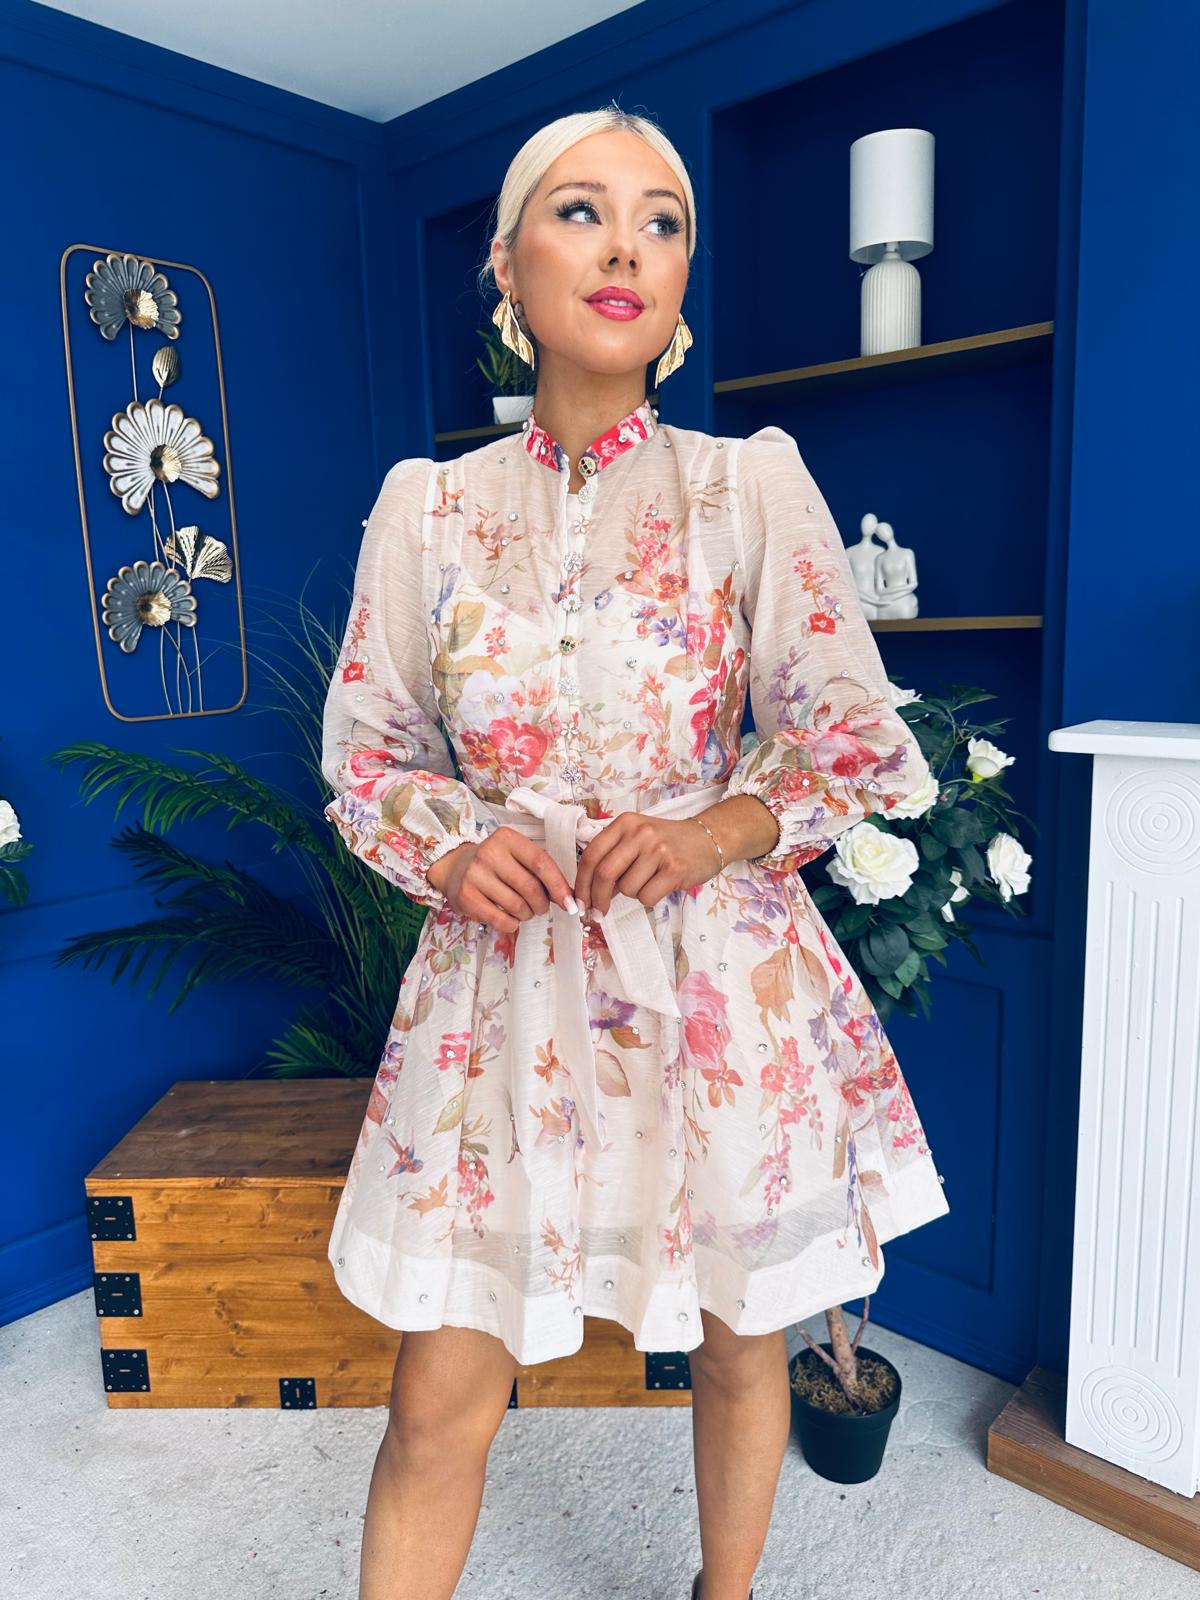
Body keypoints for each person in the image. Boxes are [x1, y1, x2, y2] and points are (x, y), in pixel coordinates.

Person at [320, 102, 950, 1600]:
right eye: (583, 211)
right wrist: (448, 850)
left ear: (680, 283)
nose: (625, 248)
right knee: (439, 1392)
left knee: (737, 1339)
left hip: (714, 984)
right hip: (500, 994)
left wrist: (716, 827)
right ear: (506, 266)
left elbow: (851, 728)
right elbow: (367, 751)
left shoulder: (748, 487)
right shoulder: (429, 510)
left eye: (661, 222)